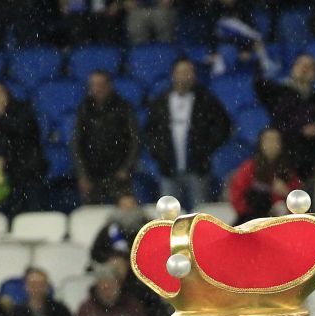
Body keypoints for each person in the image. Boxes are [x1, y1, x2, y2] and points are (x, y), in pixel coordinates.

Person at [144, 58, 233, 213]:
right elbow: (150, 131)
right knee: (168, 217)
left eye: (187, 72)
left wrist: (205, 148)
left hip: (198, 170)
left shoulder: (206, 100)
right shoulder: (160, 102)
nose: (183, 77)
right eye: (180, 72)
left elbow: (224, 126)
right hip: (168, 170)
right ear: (173, 75)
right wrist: (159, 153)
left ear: (194, 75)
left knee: (200, 214)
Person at [73, 71, 140, 203]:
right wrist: (82, 174)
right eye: (94, 85)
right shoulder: (84, 109)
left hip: (119, 174)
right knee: (92, 217)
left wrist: (126, 169)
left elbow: (134, 141)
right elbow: (76, 143)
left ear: (109, 85)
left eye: (101, 85)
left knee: (124, 215)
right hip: (92, 174)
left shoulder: (123, 108)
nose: (97, 89)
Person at [0, 82, 48, 216]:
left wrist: (1, 116)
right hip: (4, 178)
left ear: (7, 94)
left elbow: (23, 134)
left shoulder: (23, 110)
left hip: (28, 173)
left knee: (32, 216)